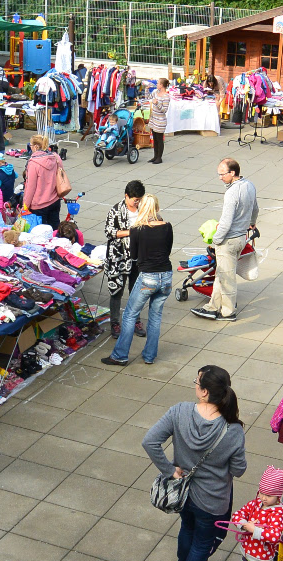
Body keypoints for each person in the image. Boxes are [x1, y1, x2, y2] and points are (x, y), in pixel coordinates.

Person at [142, 366, 247, 561]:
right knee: (202, 544)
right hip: (212, 499)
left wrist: (170, 470)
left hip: (182, 492)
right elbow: (239, 469)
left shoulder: (179, 411)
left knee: (187, 529)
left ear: (205, 392)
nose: (195, 385)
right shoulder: (232, 430)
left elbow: (150, 441)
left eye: (197, 382)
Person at [103, 195, 173, 366]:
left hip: (148, 276)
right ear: (157, 208)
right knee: (155, 317)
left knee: (129, 315)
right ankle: (149, 356)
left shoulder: (137, 230)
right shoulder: (167, 227)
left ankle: (120, 355)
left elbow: (133, 255)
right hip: (166, 276)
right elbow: (168, 250)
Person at [193, 158, 257, 322]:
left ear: (232, 173)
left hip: (228, 241)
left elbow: (226, 222)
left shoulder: (231, 193)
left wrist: (215, 241)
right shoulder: (249, 185)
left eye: (222, 174)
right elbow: (255, 208)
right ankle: (212, 307)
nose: (220, 178)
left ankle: (228, 312)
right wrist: (251, 223)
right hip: (241, 238)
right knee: (222, 274)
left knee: (227, 279)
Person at [104, 181, 147, 339]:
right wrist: (131, 232)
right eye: (135, 200)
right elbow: (109, 232)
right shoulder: (116, 211)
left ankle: (136, 320)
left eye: (139, 200)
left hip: (137, 257)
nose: (137, 202)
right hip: (119, 257)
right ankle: (115, 322)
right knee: (117, 291)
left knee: (136, 291)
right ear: (126, 196)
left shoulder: (143, 209)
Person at [22, 134, 66, 228]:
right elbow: (61, 174)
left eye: (30, 145)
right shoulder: (55, 157)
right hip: (54, 200)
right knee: (54, 229)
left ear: (36, 147)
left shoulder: (33, 163)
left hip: (39, 204)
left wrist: (25, 206)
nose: (30, 147)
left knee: (39, 232)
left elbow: (31, 187)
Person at [148, 78, 171, 164]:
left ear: (161, 85)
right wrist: (147, 90)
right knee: (154, 138)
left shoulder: (166, 97)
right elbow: (148, 97)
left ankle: (159, 157)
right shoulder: (156, 92)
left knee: (159, 139)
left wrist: (157, 103)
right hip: (154, 119)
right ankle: (155, 156)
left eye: (158, 83)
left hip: (160, 121)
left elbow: (164, 110)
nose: (157, 85)